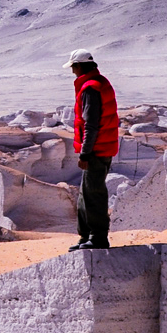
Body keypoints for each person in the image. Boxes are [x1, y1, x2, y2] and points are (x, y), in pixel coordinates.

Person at [68, 49, 119, 250]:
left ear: (80, 66)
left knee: (93, 193)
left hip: (96, 150)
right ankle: (86, 237)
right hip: (102, 147)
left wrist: (85, 152)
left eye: (73, 66)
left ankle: (97, 238)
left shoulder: (90, 88)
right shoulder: (100, 82)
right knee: (85, 193)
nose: (72, 71)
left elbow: (91, 125)